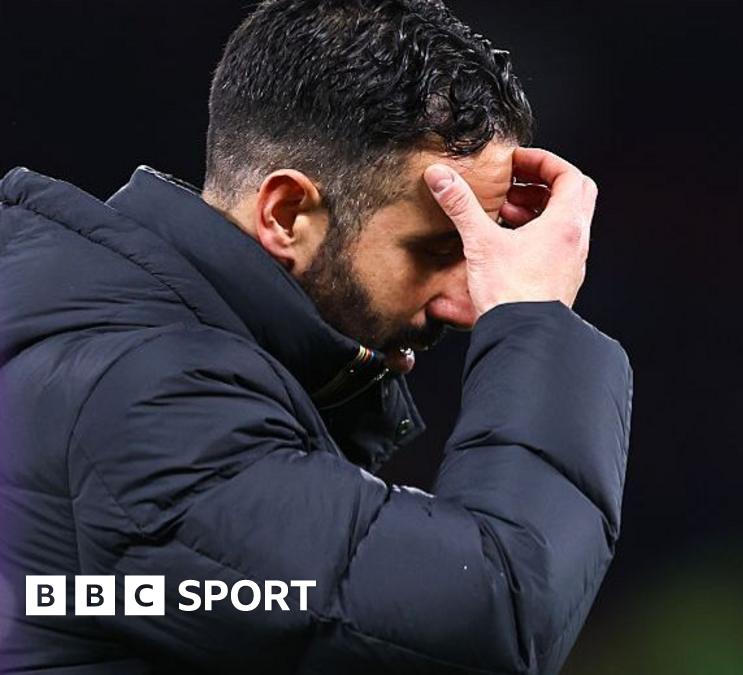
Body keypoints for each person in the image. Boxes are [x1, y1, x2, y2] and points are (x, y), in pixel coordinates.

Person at [0, 0, 632, 673]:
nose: (469, 303)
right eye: (437, 247)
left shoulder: (92, 329)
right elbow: (494, 617)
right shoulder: (148, 404)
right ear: (287, 213)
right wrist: (535, 319)